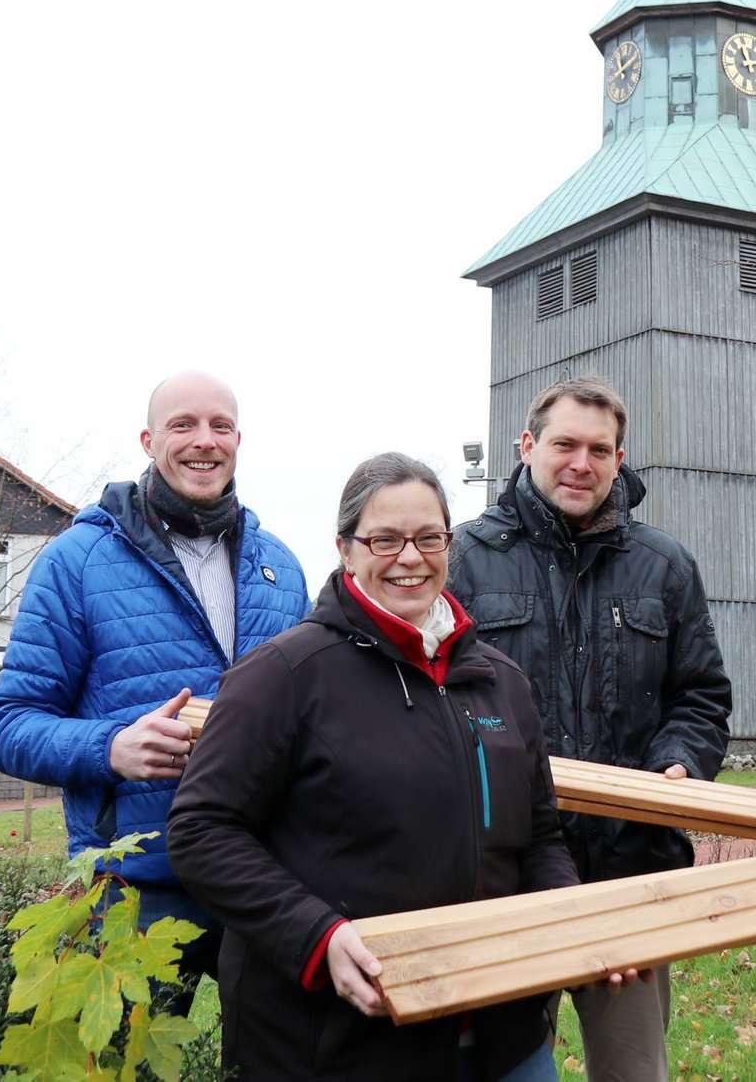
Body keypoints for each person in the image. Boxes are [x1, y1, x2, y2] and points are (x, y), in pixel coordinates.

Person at [167, 453, 585, 1081]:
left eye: (429, 537)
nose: (410, 558)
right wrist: (318, 937)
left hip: (503, 1033)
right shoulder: (283, 678)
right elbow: (202, 831)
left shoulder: (502, 683)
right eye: (385, 539)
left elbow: (541, 835)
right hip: (338, 1040)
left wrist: (572, 922)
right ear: (345, 548)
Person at [0, 371, 308, 994]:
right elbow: (9, 725)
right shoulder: (76, 561)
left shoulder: (282, 567)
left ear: (239, 438)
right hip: (136, 888)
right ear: (148, 439)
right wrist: (111, 749)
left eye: (219, 425)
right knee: (131, 1059)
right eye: (182, 425)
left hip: (260, 875)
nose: (203, 441)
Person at [446, 376, 731, 1082]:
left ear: (619, 457)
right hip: (502, 879)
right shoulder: (463, 558)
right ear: (527, 445)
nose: (581, 463)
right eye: (564, 444)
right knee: (503, 1069)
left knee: (632, 1072)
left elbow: (700, 695)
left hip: (629, 873)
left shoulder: (663, 565)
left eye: (598, 449)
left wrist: (679, 765)